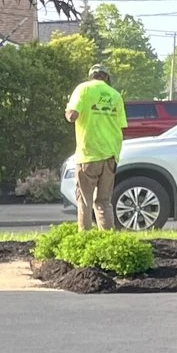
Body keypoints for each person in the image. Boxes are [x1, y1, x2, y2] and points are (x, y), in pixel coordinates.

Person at [65, 63, 126, 229]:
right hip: (111, 155)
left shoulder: (83, 89)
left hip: (89, 153)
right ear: (106, 77)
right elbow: (121, 125)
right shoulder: (115, 95)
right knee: (104, 201)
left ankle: (85, 240)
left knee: (85, 199)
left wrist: (70, 111)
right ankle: (108, 241)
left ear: (91, 75)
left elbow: (72, 116)